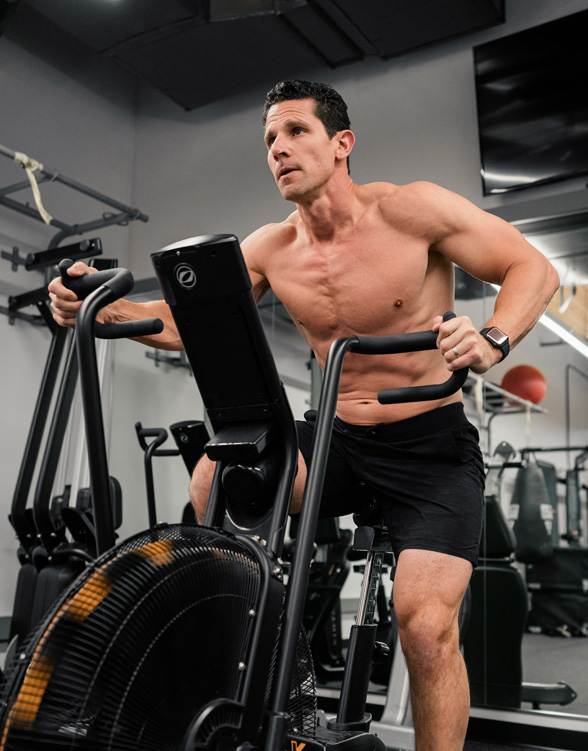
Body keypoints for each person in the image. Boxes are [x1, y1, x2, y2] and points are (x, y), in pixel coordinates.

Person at [49, 80, 559, 751]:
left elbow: (533, 267)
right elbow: (189, 325)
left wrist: (494, 337)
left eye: (295, 132)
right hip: (339, 438)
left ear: (342, 144)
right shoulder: (269, 248)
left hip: (430, 445)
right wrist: (102, 307)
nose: (278, 149)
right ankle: (213, 643)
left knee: (427, 626)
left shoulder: (412, 210)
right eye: (269, 139)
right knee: (217, 472)